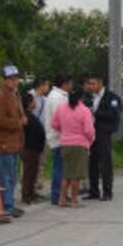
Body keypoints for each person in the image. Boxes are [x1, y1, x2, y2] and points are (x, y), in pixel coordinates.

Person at [0, 64, 26, 219]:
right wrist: (19, 122)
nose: (14, 81)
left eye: (15, 78)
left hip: (14, 143)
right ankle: (6, 205)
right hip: (4, 144)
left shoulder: (15, 95)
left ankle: (10, 203)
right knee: (5, 175)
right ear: (3, 80)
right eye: (10, 79)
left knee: (12, 176)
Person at [50, 87, 95, 208]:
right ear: (81, 98)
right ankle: (74, 200)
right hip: (80, 144)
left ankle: (62, 199)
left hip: (65, 143)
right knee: (76, 174)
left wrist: (64, 131)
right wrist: (90, 140)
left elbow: (54, 124)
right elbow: (88, 130)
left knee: (67, 174)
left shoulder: (61, 108)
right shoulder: (84, 110)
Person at [85, 74, 122, 201]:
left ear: (100, 83)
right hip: (90, 134)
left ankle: (107, 191)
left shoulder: (112, 98)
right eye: (89, 83)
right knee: (92, 162)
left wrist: (96, 113)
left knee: (105, 162)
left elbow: (113, 115)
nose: (90, 86)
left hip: (103, 134)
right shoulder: (88, 97)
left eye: (93, 83)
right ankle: (93, 190)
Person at [43, 75, 72, 205]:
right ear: (65, 84)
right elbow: (60, 118)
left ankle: (62, 194)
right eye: (70, 83)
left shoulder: (60, 96)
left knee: (62, 167)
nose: (71, 86)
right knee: (59, 167)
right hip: (58, 137)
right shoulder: (56, 98)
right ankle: (57, 195)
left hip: (61, 137)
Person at [21, 93, 47, 205]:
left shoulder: (31, 115)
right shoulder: (25, 116)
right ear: (29, 103)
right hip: (29, 148)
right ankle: (26, 194)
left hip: (35, 149)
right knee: (28, 172)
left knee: (33, 172)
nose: (35, 103)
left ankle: (32, 192)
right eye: (33, 101)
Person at [28, 77, 51, 192]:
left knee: (41, 160)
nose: (48, 88)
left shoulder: (46, 100)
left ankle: (38, 182)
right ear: (40, 85)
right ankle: (28, 184)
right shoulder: (29, 96)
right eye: (46, 85)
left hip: (42, 133)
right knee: (29, 160)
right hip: (30, 134)